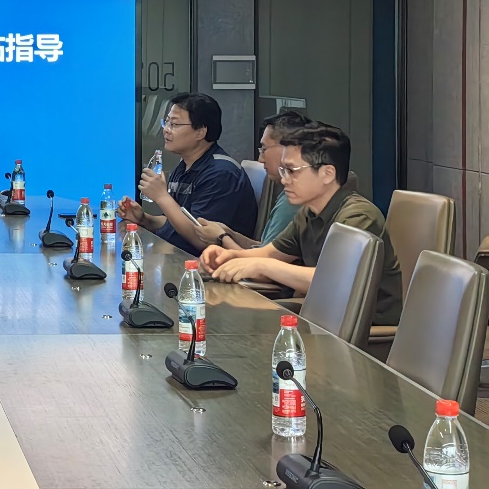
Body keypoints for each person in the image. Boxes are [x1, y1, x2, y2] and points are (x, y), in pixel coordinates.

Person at [199, 124, 402, 326]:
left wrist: (264, 266)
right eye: (283, 170)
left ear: (327, 173)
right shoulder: (309, 211)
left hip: (362, 325)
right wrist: (229, 256)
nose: (284, 180)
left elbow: (333, 282)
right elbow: (270, 254)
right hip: (323, 313)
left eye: (291, 171)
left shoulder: (359, 216)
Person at [116, 92, 257, 254]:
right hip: (177, 255)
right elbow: (175, 223)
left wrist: (162, 197)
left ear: (200, 132)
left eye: (174, 124)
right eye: (166, 122)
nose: (166, 130)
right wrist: (143, 219)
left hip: (210, 263)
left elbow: (203, 240)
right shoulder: (185, 166)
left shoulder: (221, 173)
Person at [193, 109, 311, 250]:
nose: (261, 159)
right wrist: (229, 234)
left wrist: (222, 238)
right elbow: (265, 249)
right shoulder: (288, 193)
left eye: (264, 149)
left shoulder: (293, 199)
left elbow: (265, 262)